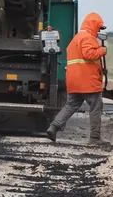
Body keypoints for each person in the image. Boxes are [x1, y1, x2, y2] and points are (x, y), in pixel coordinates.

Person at [46, 12, 109, 145]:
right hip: (88, 81)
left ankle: (54, 127)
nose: (98, 31)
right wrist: (102, 50)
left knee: (71, 105)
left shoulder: (76, 39)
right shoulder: (88, 38)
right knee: (96, 106)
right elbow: (89, 54)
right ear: (93, 25)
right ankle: (95, 138)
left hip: (74, 81)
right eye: (98, 28)